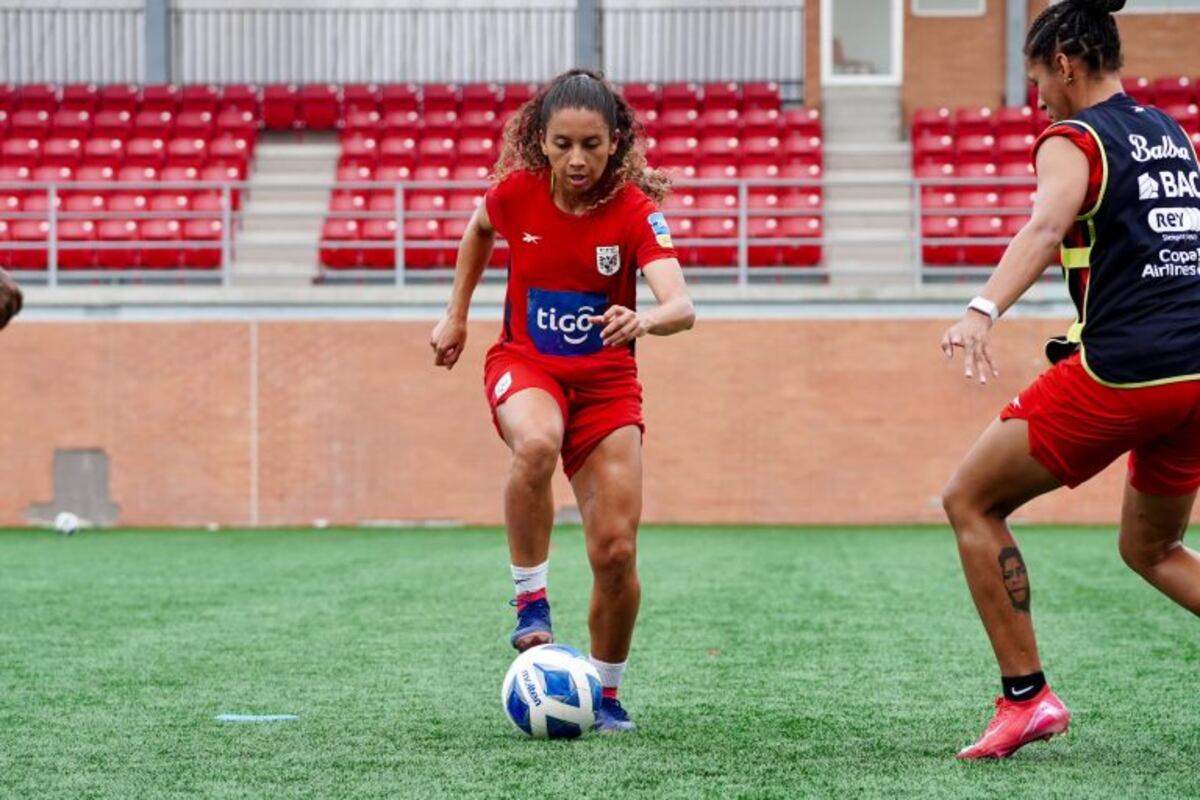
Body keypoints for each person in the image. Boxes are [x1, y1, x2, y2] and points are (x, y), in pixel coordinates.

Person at [940, 0, 1200, 760]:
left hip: (1126, 370)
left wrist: (981, 308)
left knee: (969, 499)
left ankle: (1027, 697)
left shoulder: (1072, 137)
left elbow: (1047, 227)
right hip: (1195, 371)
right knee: (1152, 548)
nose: (1037, 99)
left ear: (1064, 64)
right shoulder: (1167, 131)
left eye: (1036, 81)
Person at [430, 69, 695, 733]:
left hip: (607, 387)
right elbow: (478, 231)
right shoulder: (516, 195)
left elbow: (681, 305)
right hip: (526, 364)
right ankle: (531, 603)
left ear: (616, 143)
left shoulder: (634, 211)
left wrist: (646, 321)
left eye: (592, 145)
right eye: (562, 144)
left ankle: (604, 696)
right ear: (539, 142)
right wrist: (455, 317)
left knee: (616, 554)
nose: (577, 159)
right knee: (538, 443)